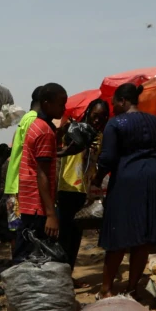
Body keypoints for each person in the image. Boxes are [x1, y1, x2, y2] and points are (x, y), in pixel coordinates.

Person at [92, 84, 156, 299]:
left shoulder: (116, 123)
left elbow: (107, 158)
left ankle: (106, 290)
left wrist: (97, 179)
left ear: (123, 101)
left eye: (114, 102)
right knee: (143, 237)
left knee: (118, 235)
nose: (113, 107)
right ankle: (132, 288)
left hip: (128, 180)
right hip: (154, 179)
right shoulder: (155, 121)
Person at [11, 83, 66, 264]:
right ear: (46, 103)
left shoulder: (37, 126)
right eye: (60, 104)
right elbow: (41, 174)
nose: (63, 108)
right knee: (33, 256)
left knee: (25, 252)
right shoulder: (44, 131)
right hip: (38, 205)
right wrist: (51, 214)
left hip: (29, 201)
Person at [55, 98, 110, 268]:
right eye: (95, 115)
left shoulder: (100, 137)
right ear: (87, 112)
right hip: (67, 187)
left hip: (84, 191)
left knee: (76, 234)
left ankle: (68, 273)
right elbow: (57, 145)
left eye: (102, 117)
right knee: (63, 234)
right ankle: (60, 273)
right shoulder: (73, 128)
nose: (97, 120)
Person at [3, 87, 43, 234]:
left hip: (15, 183)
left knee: (17, 229)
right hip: (21, 186)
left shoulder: (26, 118)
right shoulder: (33, 120)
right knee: (23, 232)